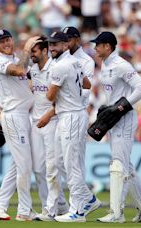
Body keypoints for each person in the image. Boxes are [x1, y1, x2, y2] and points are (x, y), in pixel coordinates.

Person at [90, 31, 141, 223]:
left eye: (98, 45)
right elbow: (111, 93)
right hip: (113, 120)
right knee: (125, 164)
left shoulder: (121, 65)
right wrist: (106, 108)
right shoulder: (105, 64)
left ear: (108, 47)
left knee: (118, 165)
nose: (95, 48)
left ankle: (116, 213)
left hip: (125, 118)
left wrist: (121, 106)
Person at [0, 29, 39, 221]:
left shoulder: (18, 57)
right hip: (13, 116)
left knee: (17, 164)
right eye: (1, 41)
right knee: (24, 164)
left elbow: (28, 76)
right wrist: (27, 49)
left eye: (7, 39)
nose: (6, 43)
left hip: (24, 115)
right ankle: (24, 210)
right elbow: (19, 70)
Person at [46, 31, 99, 223]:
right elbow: (86, 84)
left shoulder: (61, 66)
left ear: (65, 45)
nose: (52, 47)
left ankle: (78, 211)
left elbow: (50, 96)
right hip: (68, 114)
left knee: (72, 164)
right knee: (61, 162)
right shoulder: (75, 63)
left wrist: (56, 89)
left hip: (72, 116)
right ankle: (89, 199)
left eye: (56, 44)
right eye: (50, 44)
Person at [28, 36, 69, 221]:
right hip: (36, 123)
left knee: (52, 167)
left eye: (34, 51)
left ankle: (49, 210)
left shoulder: (55, 68)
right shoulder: (32, 69)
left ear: (44, 51)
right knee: (38, 168)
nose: (31, 55)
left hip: (52, 121)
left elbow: (63, 97)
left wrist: (49, 114)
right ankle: (57, 206)